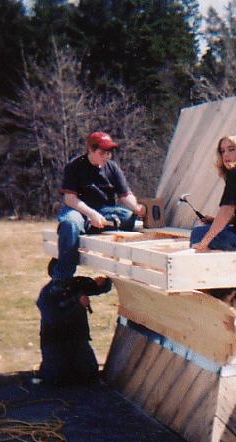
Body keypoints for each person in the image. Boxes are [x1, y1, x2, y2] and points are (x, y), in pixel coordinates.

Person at [50, 131, 145, 281]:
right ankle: (62, 278)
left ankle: (88, 227)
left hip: (104, 211)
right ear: (90, 150)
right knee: (71, 224)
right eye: (103, 153)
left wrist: (137, 208)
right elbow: (70, 199)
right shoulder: (74, 166)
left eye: (109, 153)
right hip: (79, 210)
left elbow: (125, 195)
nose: (107, 156)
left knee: (128, 217)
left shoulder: (112, 168)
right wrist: (91, 214)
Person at [37, 259, 113, 385]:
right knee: (55, 379)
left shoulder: (76, 284)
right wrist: (78, 305)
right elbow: (54, 319)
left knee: (89, 374)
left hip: (77, 339)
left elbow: (100, 287)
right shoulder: (46, 294)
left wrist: (104, 282)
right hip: (56, 341)